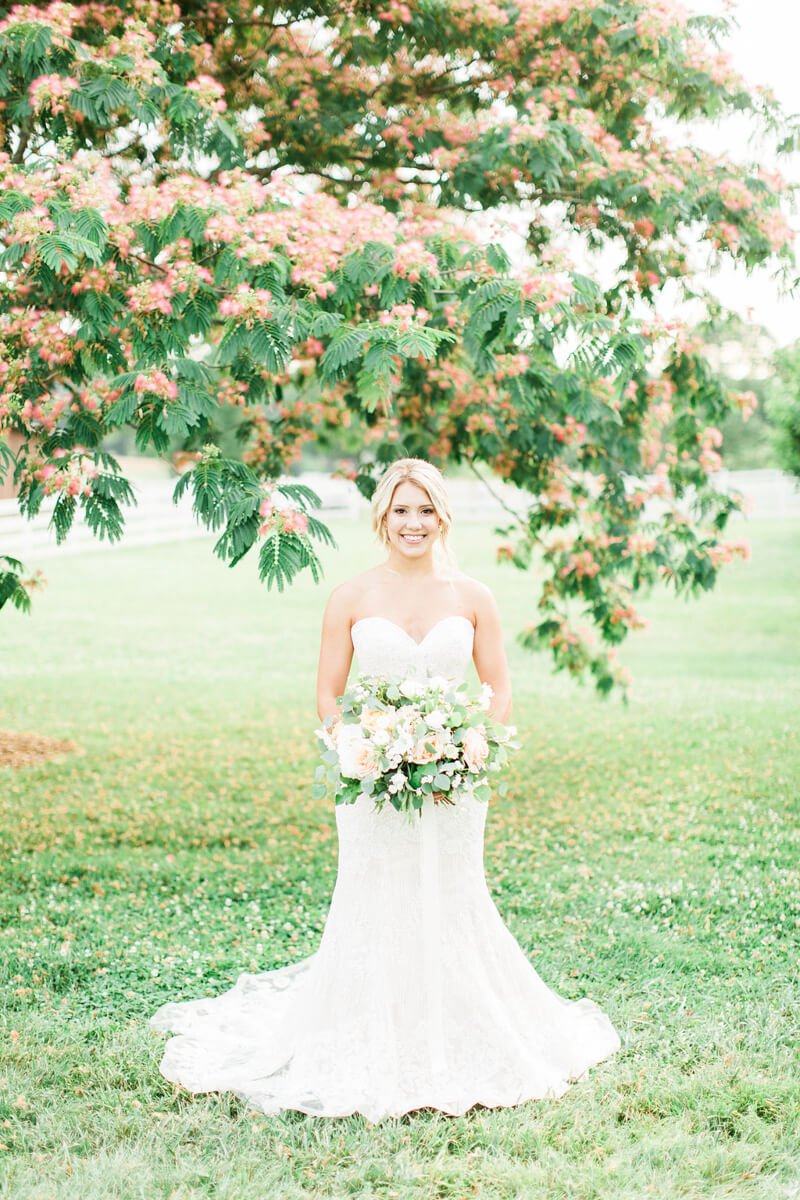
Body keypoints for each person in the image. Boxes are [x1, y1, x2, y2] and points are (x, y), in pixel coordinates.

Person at [150, 458, 621, 1121]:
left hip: (455, 781)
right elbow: (326, 693)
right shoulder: (350, 596)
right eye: (401, 510)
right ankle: (374, 1032)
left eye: (425, 509)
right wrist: (349, 741)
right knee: (376, 898)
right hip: (372, 779)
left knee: (452, 895)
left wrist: (480, 734)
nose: (413, 523)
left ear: (442, 516)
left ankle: (459, 1031)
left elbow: (500, 687)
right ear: (382, 516)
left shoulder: (473, 595)